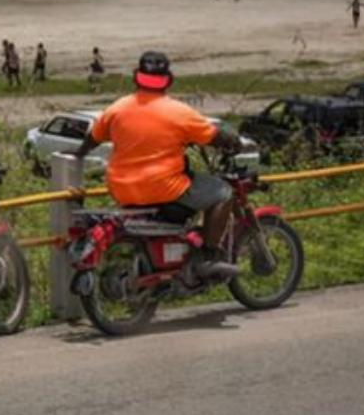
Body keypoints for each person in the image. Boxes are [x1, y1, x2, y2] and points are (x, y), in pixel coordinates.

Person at [72, 52, 244, 279]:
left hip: (121, 190)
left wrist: (77, 155)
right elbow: (216, 136)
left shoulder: (117, 108)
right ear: (169, 81)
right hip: (164, 188)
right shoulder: (179, 112)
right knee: (223, 192)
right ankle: (209, 257)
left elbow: (92, 138)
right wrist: (235, 143)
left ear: (136, 78)